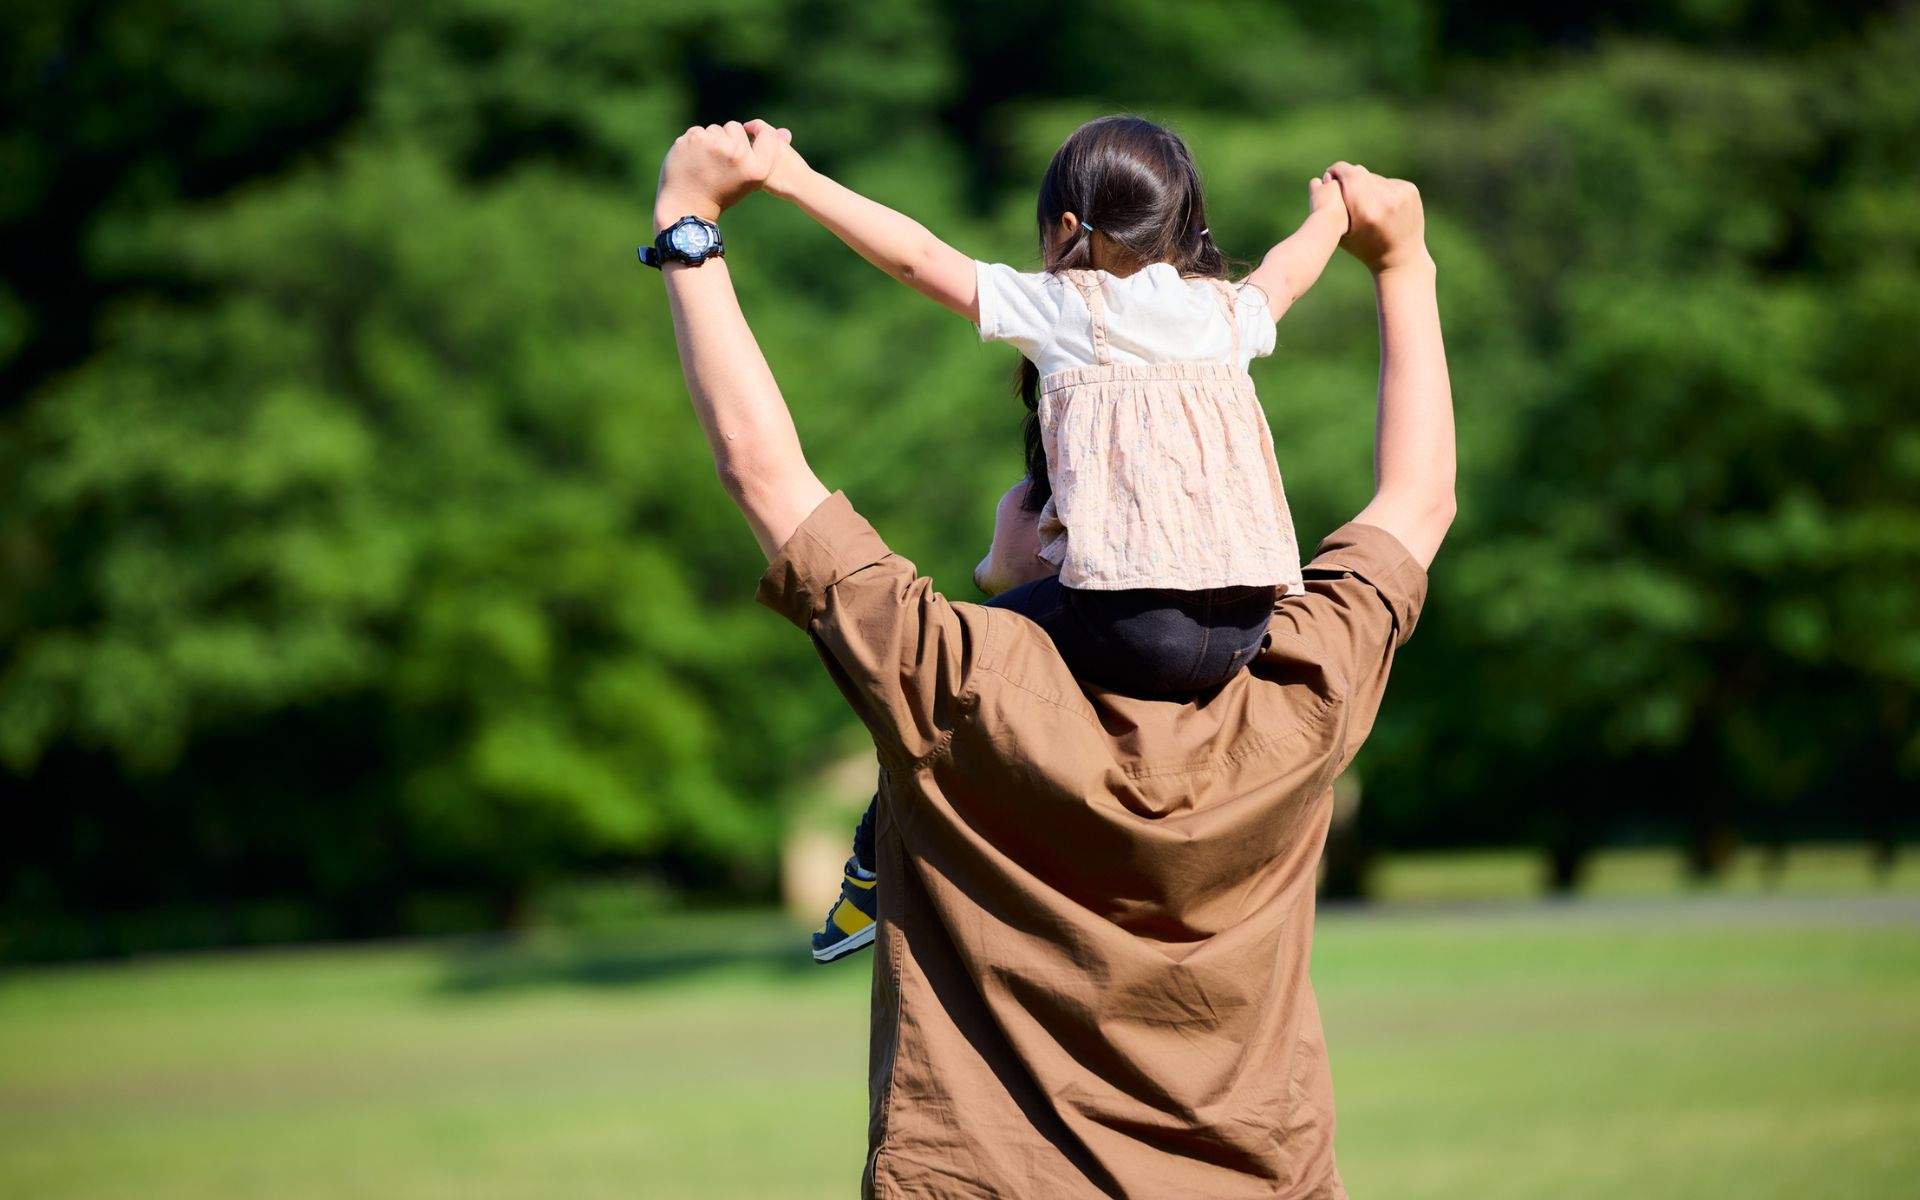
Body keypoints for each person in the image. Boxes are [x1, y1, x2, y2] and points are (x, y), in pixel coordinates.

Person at [652, 119, 1453, 1199]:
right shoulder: (1303, 679)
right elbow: (1420, 499)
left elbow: (763, 470)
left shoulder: (951, 687)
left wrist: (688, 226)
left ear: (1066, 516)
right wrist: (1402, 264)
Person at [755, 114, 1354, 961]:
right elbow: (1291, 270)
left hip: (1131, 621)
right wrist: (1331, 213)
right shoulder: (1225, 313)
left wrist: (792, 178)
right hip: (1248, 625)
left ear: (1067, 229)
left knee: (945, 682)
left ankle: (869, 870)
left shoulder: (1068, 309)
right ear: (1182, 229)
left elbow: (918, 257)